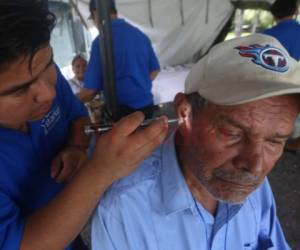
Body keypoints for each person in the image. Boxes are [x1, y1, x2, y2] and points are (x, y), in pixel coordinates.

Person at [91, 34, 300, 250]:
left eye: (274, 141)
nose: (256, 166)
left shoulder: (255, 186)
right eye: (232, 133)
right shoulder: (125, 209)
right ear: (185, 114)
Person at [0, 1, 168, 250]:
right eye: (19, 90)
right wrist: (100, 172)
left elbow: (78, 116)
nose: (48, 93)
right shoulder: (131, 37)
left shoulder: (35, 70)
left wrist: (77, 147)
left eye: (49, 65)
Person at [78, 0, 160, 118]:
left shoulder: (101, 41)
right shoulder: (140, 35)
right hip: (147, 107)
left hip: (122, 112)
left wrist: (69, 103)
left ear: (96, 13)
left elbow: (90, 91)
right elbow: (155, 70)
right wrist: (139, 86)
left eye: (93, 18)